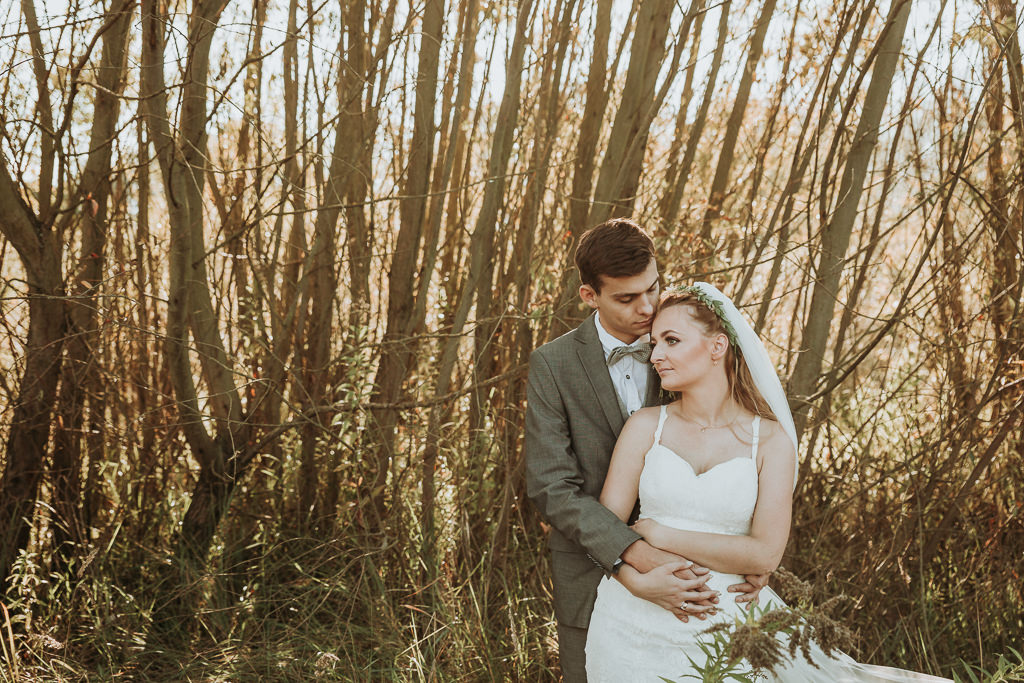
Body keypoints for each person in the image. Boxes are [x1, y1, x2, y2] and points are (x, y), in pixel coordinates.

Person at [585, 283, 951, 682]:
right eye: (654, 343)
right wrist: (639, 582)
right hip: (631, 623)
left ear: (717, 346)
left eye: (671, 340)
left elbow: (763, 555)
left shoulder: (771, 441)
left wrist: (658, 532)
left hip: (730, 628)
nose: (656, 355)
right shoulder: (644, 426)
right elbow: (605, 529)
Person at [524, 219, 765, 682]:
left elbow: (737, 450)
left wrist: (748, 556)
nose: (648, 306)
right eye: (627, 298)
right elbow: (552, 486)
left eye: (653, 288)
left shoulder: (690, 343)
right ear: (590, 296)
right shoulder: (553, 366)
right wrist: (631, 554)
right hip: (592, 573)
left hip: (707, 580)